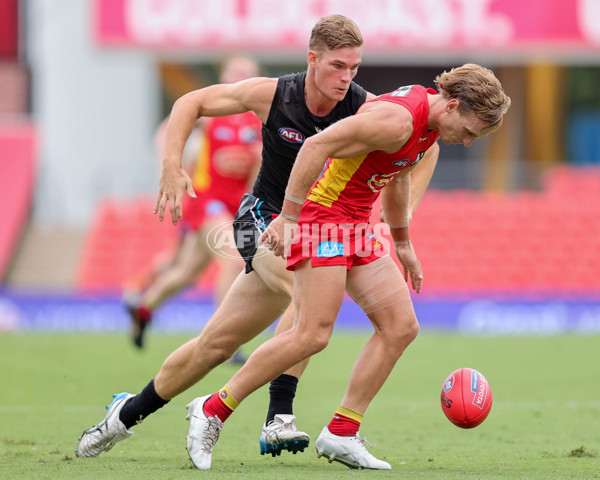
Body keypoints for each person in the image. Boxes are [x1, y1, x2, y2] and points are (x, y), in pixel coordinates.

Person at [75, 14, 438, 462]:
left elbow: (420, 146)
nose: (347, 78)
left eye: (354, 68)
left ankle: (125, 414)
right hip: (261, 219)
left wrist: (398, 227)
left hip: (309, 230)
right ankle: (278, 417)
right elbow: (190, 102)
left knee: (215, 346)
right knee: (307, 303)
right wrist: (171, 164)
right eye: (338, 66)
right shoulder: (274, 94)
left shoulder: (363, 107)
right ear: (313, 59)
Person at [181, 63, 511, 470]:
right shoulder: (397, 120)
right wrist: (287, 218)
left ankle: (341, 432)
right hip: (323, 220)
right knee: (311, 334)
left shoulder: (428, 126)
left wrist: (403, 242)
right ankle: (212, 409)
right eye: (470, 131)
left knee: (400, 326)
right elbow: (314, 147)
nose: (467, 142)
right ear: (454, 105)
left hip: (354, 224)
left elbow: (399, 172)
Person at [123, 56, 262, 352]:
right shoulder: (211, 111)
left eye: (247, 74)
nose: (241, 78)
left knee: (186, 273)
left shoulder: (257, 119)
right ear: (224, 76)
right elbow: (171, 126)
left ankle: (144, 308)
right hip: (207, 199)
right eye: (236, 72)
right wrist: (172, 164)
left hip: (235, 204)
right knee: (234, 259)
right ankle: (228, 338)